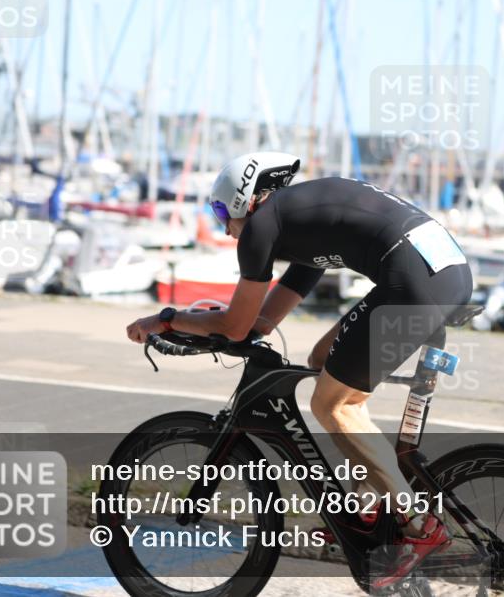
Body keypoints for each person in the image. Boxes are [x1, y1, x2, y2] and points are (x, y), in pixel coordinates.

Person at [126, 151, 473, 587]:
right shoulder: (299, 227)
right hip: (441, 269)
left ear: (244, 199)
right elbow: (262, 323)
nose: (223, 225)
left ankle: (419, 525)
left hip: (415, 280)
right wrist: (216, 326)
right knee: (324, 362)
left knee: (331, 405)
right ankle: (370, 502)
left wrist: (168, 319)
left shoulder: (261, 226)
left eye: (220, 211)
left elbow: (236, 328)